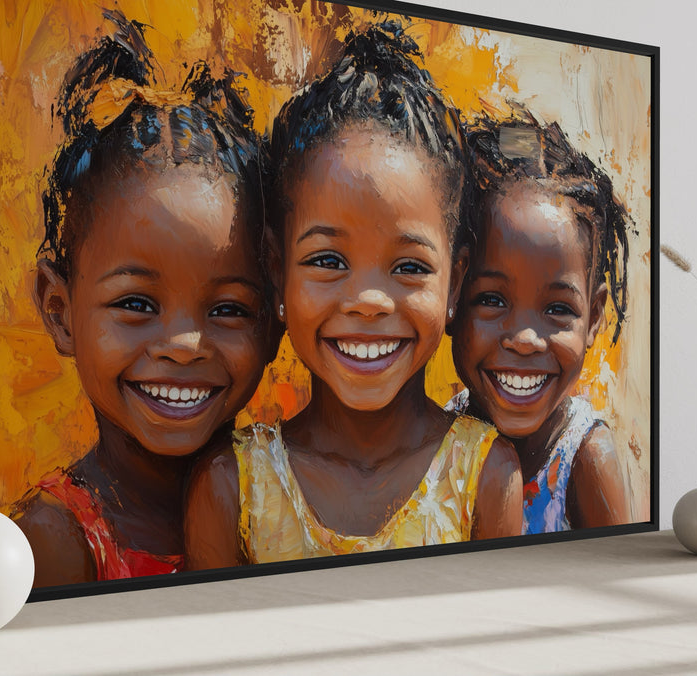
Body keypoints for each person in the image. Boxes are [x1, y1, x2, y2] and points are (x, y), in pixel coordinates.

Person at [185, 22, 525, 569]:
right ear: (278, 274)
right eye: (327, 261)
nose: (369, 300)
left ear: (454, 284)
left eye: (409, 266)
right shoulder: (231, 486)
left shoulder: (485, 475)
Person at [11, 11, 276, 586]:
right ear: (59, 312)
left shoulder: (296, 505)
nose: (183, 346)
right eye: (136, 303)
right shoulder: (53, 543)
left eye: (229, 309)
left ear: (276, 320)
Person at [450, 109, 630, 534]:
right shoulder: (445, 441)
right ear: (452, 297)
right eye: (492, 299)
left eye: (558, 309)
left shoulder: (586, 457)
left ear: (594, 318)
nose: (526, 339)